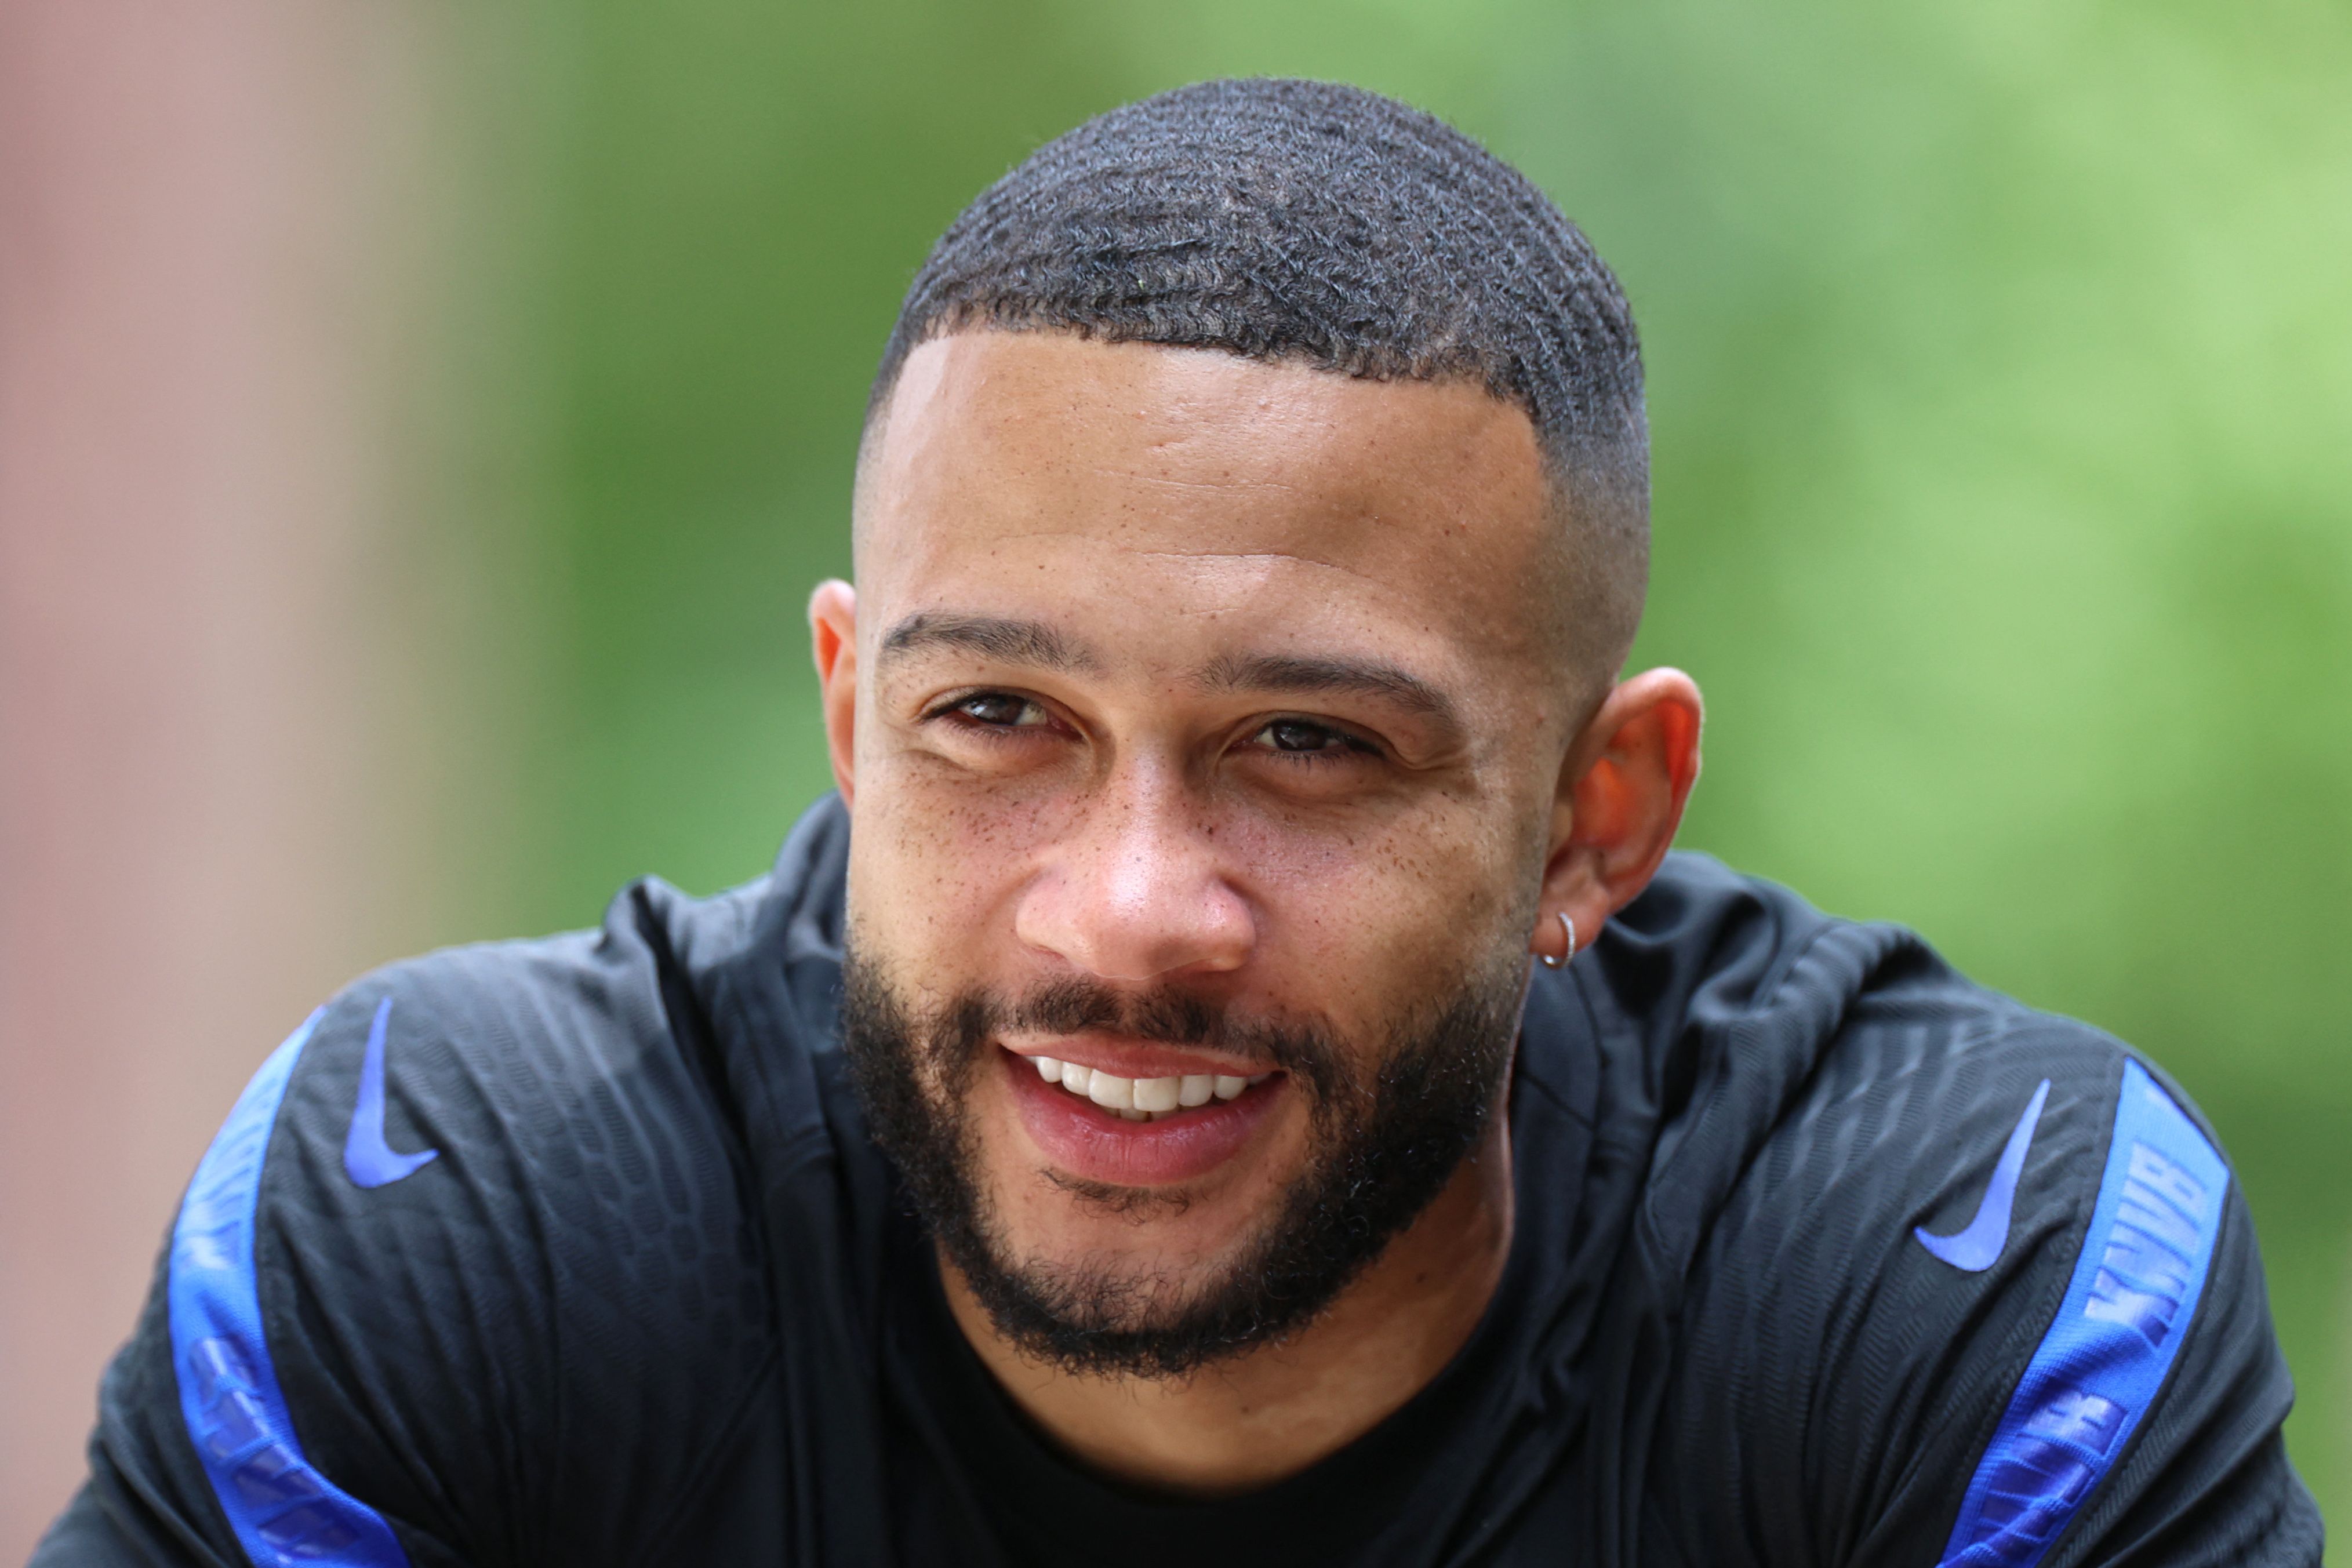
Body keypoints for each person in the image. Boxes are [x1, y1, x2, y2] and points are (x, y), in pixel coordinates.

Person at [33, 78, 2322, 1568]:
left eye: (1311, 744)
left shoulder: (1951, 1282)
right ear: (849, 712)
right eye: (999, 715)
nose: (1130, 907)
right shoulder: (463, 1208)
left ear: (1589, 821)